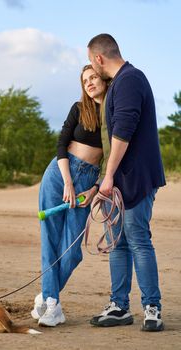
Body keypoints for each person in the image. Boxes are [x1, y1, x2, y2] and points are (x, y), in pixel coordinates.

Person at [87, 34, 166, 332]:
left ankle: (152, 307)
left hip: (136, 178)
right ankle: (119, 306)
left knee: (138, 240)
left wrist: (107, 176)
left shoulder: (130, 79)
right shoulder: (120, 83)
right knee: (117, 244)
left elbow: (124, 130)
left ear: (98, 58)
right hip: (119, 181)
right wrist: (105, 181)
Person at [31, 65, 107, 327]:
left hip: (88, 180)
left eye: (93, 77)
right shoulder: (79, 108)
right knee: (50, 241)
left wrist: (93, 188)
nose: (89, 83)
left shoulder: (115, 113)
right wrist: (67, 182)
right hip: (59, 174)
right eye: (85, 80)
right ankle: (52, 306)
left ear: (104, 78)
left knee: (72, 251)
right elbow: (61, 144)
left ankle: (45, 295)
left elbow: (112, 162)